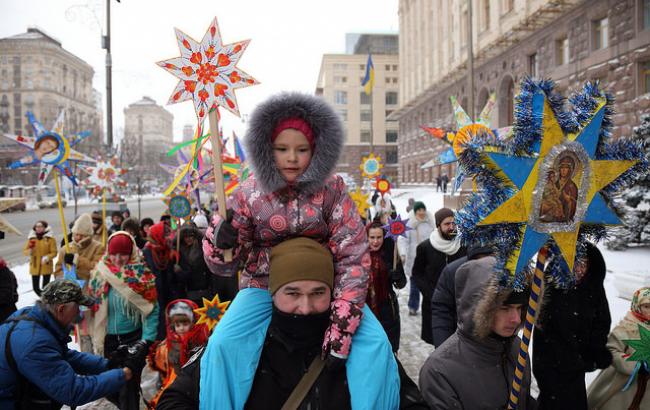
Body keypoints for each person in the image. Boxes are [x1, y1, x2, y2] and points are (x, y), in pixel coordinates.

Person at [158, 237, 426, 409]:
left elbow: (411, 401)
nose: (306, 307)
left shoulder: (362, 345)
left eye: (318, 293)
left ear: (333, 294)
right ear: (272, 294)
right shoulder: (237, 344)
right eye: (293, 293)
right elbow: (173, 400)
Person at [204, 92, 370, 362]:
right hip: (262, 287)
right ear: (268, 150)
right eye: (282, 149)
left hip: (323, 289)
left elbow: (353, 258)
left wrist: (341, 331)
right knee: (222, 345)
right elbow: (224, 265)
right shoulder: (248, 194)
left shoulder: (333, 189)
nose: (292, 158)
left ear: (315, 150)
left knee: (374, 346)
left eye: (302, 149)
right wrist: (219, 242)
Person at [419, 256, 536, 409]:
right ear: (479, 309)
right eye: (504, 309)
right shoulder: (439, 371)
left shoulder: (517, 349)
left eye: (520, 308)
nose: (516, 318)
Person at [0, 279, 131, 409]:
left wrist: (108, 364)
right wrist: (122, 375)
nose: (79, 312)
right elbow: (73, 392)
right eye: (77, 307)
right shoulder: (34, 343)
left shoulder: (32, 315)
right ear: (61, 309)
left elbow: (63, 355)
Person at [533, 242, 611, 410]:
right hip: (553, 366)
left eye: (584, 264)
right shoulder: (552, 288)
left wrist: (594, 351)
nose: (579, 269)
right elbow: (543, 330)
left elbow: (602, 322)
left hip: (577, 367)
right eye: (575, 263)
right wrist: (563, 360)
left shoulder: (593, 288)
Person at [87, 232, 159, 410]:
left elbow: (152, 309)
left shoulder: (141, 274)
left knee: (128, 387)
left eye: (123, 254)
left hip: (133, 340)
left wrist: (146, 341)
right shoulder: (100, 272)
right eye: (114, 254)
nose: (118, 259)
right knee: (111, 389)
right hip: (108, 341)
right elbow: (91, 304)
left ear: (131, 253)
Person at [587, 287, 650, 409]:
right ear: (637, 306)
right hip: (622, 385)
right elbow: (612, 351)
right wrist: (636, 365)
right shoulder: (626, 327)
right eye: (646, 306)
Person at [411, 207, 466, 345]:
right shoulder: (426, 247)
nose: (451, 227)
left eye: (454, 223)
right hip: (435, 307)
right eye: (447, 224)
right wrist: (431, 293)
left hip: (460, 306)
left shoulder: (464, 245)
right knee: (440, 345)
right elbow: (417, 274)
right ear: (438, 225)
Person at [147, 299, 209, 408]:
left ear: (193, 321)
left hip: (193, 383)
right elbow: (162, 368)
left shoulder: (199, 341)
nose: (181, 328)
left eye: (185, 323)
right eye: (177, 324)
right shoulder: (167, 345)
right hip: (172, 383)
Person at [430, 244, 494, 347]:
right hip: (461, 342)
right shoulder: (453, 272)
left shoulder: (507, 272)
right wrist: (443, 346)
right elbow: (442, 310)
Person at [366, 222, 407, 352]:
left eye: (379, 237)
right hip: (366, 308)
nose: (376, 241)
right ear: (366, 237)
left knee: (388, 348)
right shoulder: (359, 256)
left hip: (387, 308)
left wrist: (397, 276)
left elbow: (401, 284)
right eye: (372, 237)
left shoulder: (390, 254)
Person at [397, 201, 435, 316]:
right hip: (414, 259)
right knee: (415, 285)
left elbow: (435, 238)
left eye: (423, 210)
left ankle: (431, 306)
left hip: (429, 258)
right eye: (419, 210)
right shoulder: (409, 224)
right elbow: (403, 240)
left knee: (430, 284)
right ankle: (413, 306)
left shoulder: (430, 223)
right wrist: (403, 254)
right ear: (415, 211)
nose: (421, 212)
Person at [143, 221, 176, 340]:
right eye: (164, 234)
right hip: (155, 295)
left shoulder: (168, 250)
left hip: (169, 293)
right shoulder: (146, 251)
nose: (167, 237)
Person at [174, 224, 214, 306]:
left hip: (203, 286)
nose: (188, 239)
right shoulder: (178, 251)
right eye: (186, 236)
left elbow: (204, 239)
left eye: (191, 236)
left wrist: (194, 230)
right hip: (187, 289)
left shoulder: (201, 247)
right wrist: (178, 271)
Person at [22, 220, 57, 296]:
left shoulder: (50, 239)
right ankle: (44, 298)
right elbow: (24, 251)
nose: (38, 228)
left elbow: (54, 252)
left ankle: (45, 300)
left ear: (45, 228)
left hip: (46, 265)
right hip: (35, 265)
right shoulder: (32, 239)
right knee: (35, 288)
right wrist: (30, 250)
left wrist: (47, 257)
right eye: (37, 227)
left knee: (45, 287)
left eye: (41, 226)